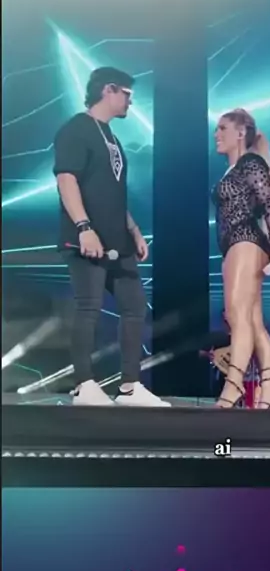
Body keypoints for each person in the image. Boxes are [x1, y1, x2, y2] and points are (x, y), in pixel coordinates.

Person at [53, 66, 170, 407]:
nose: (130, 102)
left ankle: (130, 386)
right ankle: (84, 385)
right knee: (88, 306)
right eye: (127, 94)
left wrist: (133, 230)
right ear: (109, 90)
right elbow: (66, 180)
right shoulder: (76, 128)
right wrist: (84, 227)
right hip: (86, 238)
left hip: (118, 240)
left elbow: (113, 191)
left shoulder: (111, 137)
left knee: (135, 306)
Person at [211, 108, 270, 409]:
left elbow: (269, 202)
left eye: (222, 128)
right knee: (253, 320)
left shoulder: (251, 163)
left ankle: (233, 387)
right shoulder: (234, 169)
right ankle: (269, 384)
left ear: (241, 132)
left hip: (245, 240)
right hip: (234, 245)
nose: (216, 134)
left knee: (237, 316)